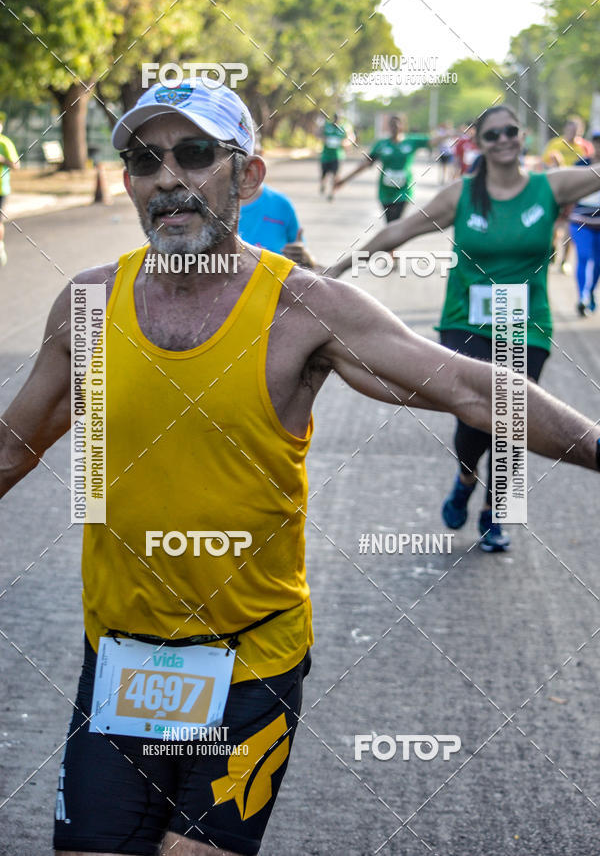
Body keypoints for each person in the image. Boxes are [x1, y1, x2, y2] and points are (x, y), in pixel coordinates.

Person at [2, 83, 600, 856]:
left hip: (252, 663)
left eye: (193, 154)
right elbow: (15, 444)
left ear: (246, 177)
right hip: (121, 661)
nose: (166, 179)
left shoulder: (303, 308)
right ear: (128, 182)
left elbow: (471, 385)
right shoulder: (88, 304)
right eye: (144, 160)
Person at [329, 104, 600, 554]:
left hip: (524, 323)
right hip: (467, 321)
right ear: (480, 142)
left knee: (515, 421)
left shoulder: (548, 187)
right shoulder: (462, 194)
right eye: (492, 135)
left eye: (511, 131)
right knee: (474, 418)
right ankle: (464, 477)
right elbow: (401, 232)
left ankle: (496, 515)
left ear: (522, 136)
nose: (504, 140)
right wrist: (336, 269)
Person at [334, 114, 430, 222]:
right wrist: (344, 180)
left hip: (404, 189)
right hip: (386, 191)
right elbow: (365, 164)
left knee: (396, 222)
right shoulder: (382, 144)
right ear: (389, 127)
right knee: (390, 222)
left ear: (403, 126)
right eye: (392, 124)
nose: (395, 126)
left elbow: (433, 140)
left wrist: (450, 134)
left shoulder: (411, 141)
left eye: (398, 123)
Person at [239, 141, 314, 268]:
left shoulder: (281, 205)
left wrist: (305, 258)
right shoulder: (209, 207)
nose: (247, 165)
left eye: (253, 152)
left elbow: (307, 264)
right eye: (241, 153)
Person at [543, 116, 592, 273]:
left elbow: (591, 166)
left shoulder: (585, 147)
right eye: (570, 129)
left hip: (576, 192)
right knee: (554, 225)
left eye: (576, 131)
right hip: (556, 191)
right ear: (565, 129)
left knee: (570, 227)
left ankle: (564, 261)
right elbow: (544, 165)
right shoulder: (555, 144)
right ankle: (552, 249)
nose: (572, 133)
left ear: (581, 131)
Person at [570, 132, 600, 316]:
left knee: (597, 263)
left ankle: (589, 292)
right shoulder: (580, 166)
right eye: (597, 142)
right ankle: (582, 297)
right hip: (581, 220)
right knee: (584, 256)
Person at [0, 113, 20, 267]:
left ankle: (0, 247)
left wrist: (3, 160)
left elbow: (16, 166)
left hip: (1, 189)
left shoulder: (5, 143)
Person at [319, 112, 352, 201]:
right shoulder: (327, 127)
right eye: (335, 118)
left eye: (338, 119)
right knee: (324, 174)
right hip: (326, 156)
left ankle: (332, 193)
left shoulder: (343, 129)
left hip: (337, 156)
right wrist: (325, 139)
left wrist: (343, 143)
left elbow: (349, 139)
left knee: (335, 175)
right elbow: (320, 135)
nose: (336, 121)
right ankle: (323, 184)